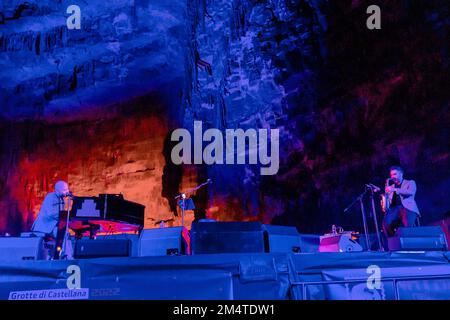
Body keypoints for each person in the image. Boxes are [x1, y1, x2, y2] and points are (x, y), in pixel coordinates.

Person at [382, 166, 420, 236]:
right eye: (391, 175)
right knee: (386, 223)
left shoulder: (410, 182)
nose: (392, 177)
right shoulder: (391, 187)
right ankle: (393, 241)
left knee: (407, 225)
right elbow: (388, 201)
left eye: (395, 174)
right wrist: (384, 200)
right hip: (394, 210)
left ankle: (409, 241)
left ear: (401, 174)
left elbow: (411, 192)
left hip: (407, 208)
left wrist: (395, 190)